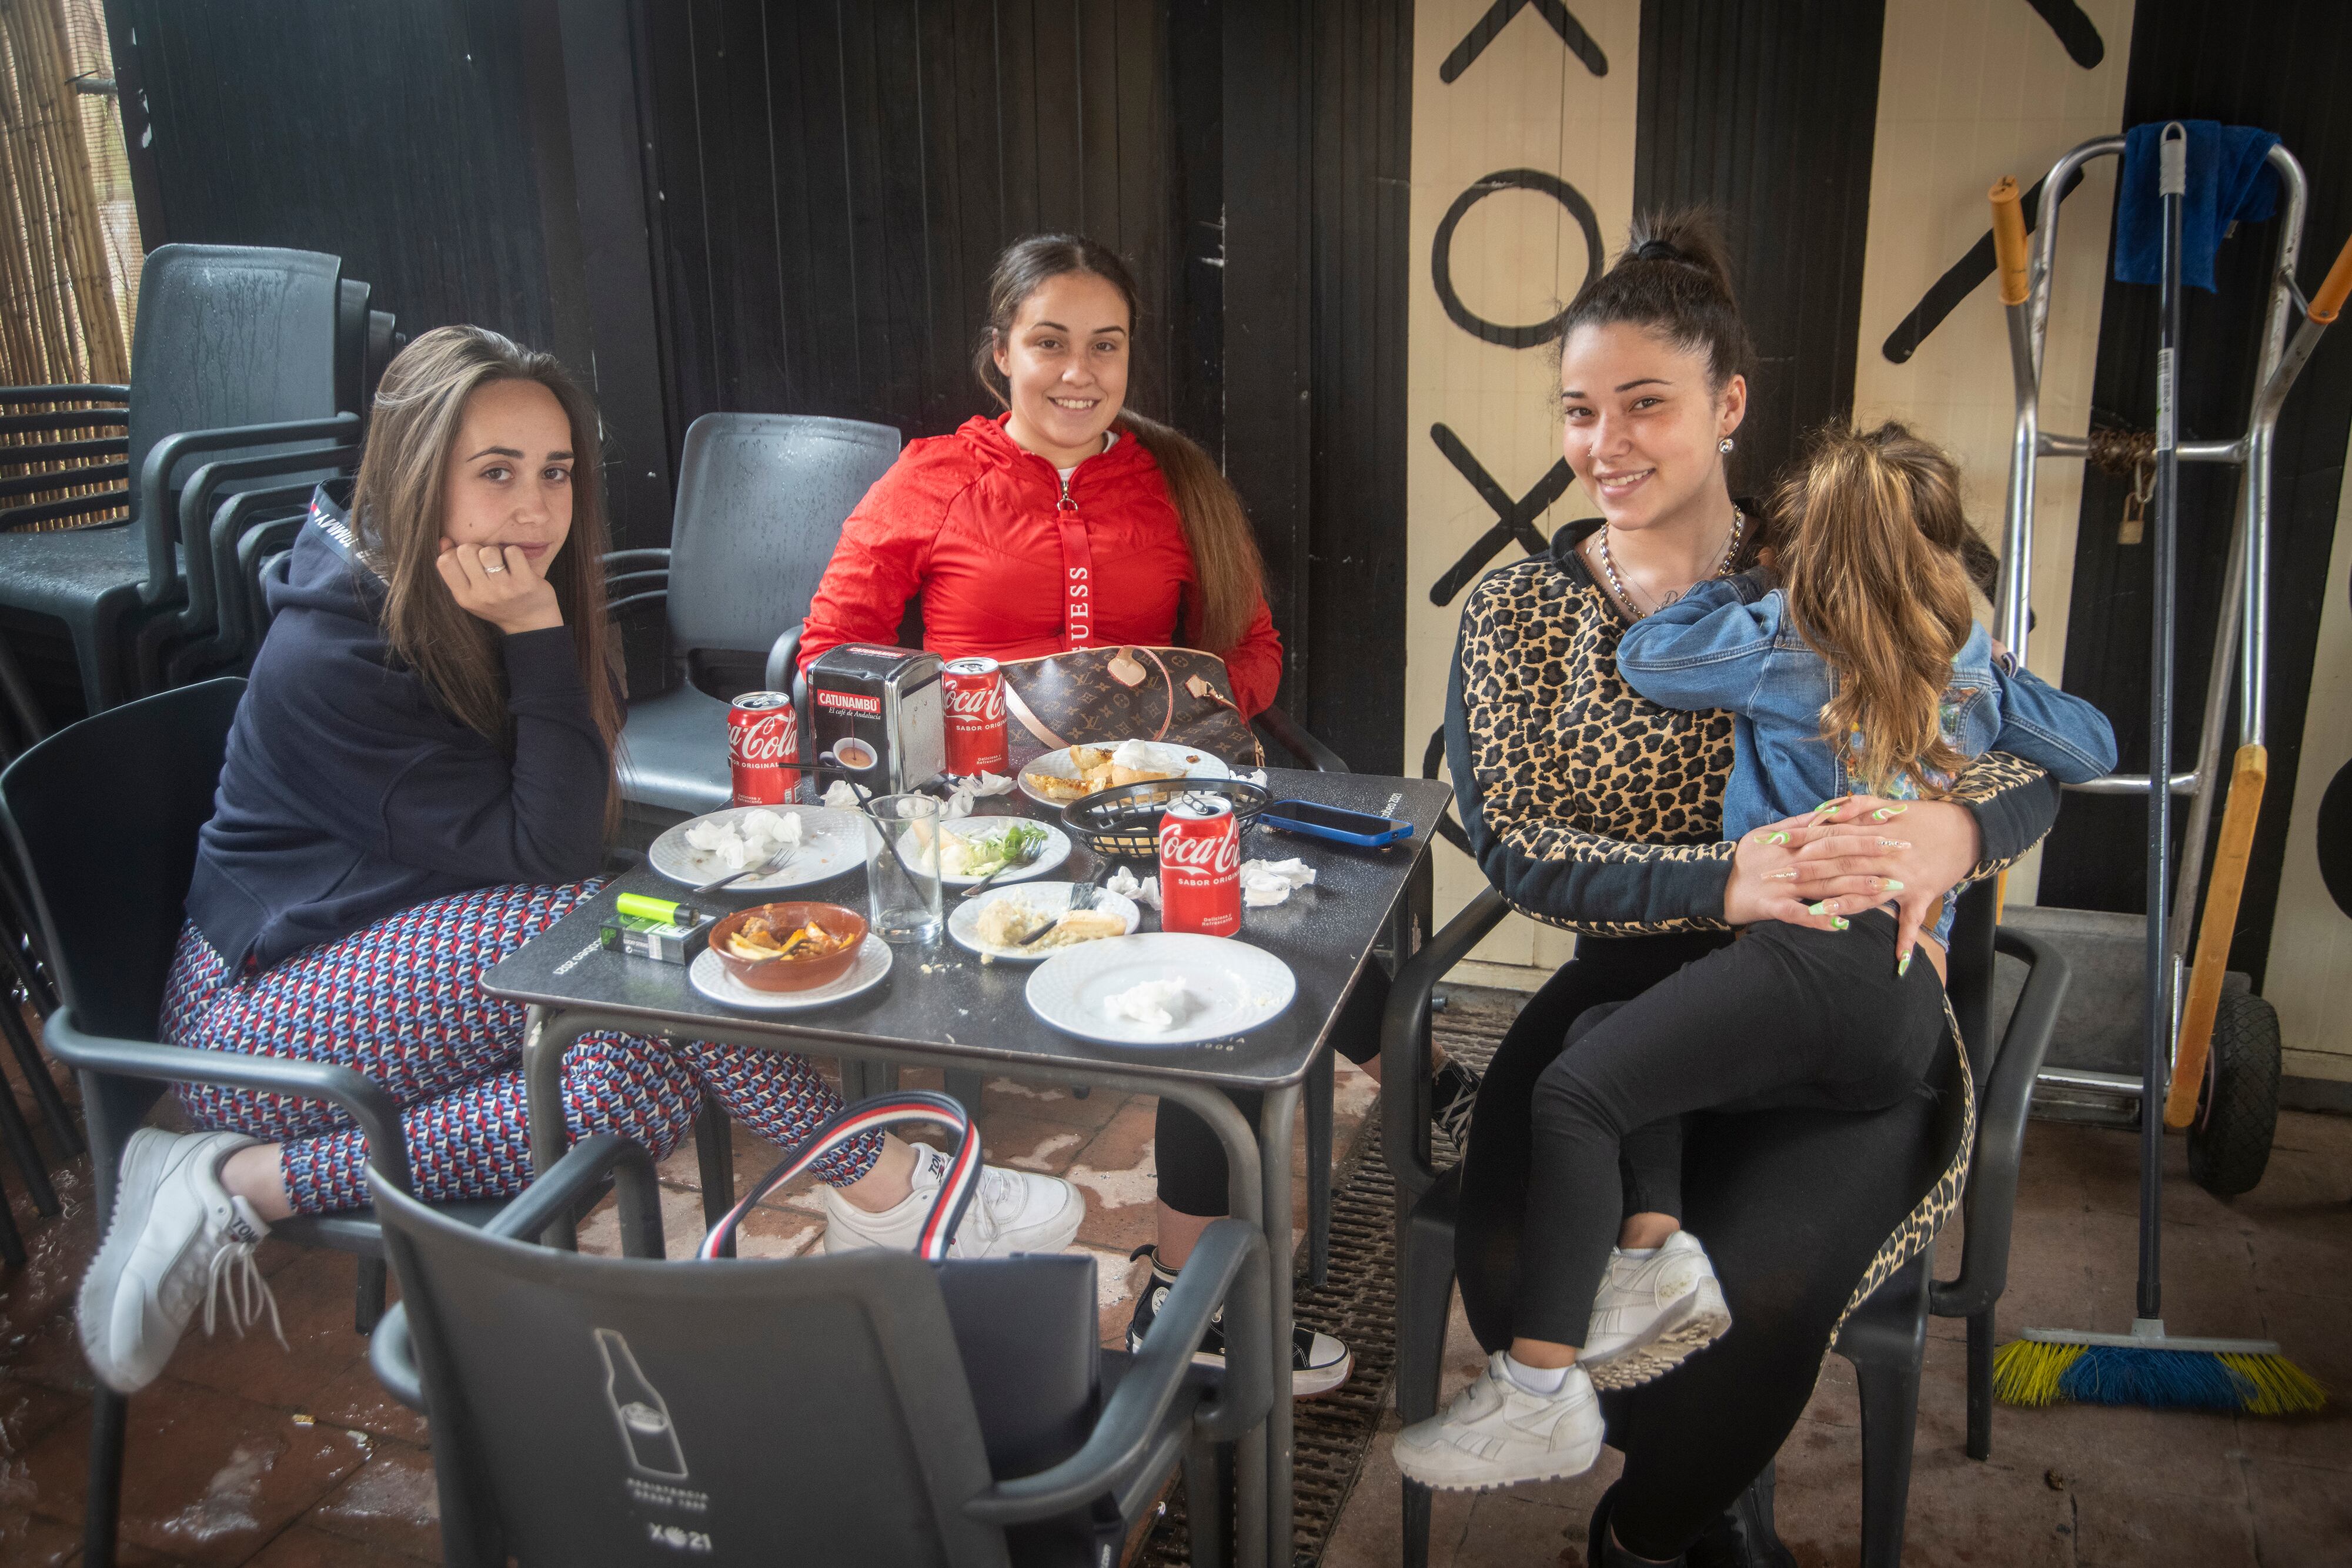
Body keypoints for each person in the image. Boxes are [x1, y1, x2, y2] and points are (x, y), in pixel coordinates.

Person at [76, 327, 1081, 1398]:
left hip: (400, 959)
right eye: (496, 473)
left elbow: (543, 835)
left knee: (621, 1083)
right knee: (620, 934)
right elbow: (550, 855)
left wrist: (532, 630)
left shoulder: (453, 593)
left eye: (555, 472)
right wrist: (538, 631)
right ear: (418, 471)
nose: (536, 508)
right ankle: (878, 1180)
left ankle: (243, 1182)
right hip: (264, 1008)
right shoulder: (343, 650)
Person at [1430, 212, 2078, 1567]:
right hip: (1626, 992)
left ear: (1728, 405)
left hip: (1839, 998)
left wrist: (1957, 841)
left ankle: (1663, 1524)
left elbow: (2018, 743)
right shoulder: (1514, 613)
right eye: (1577, 410)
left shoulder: (1839, 556)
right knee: (1512, 1271)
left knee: (1757, 1293)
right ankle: (1695, 1479)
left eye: (1644, 404)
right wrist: (1720, 876)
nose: (1605, 442)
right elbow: (1510, 844)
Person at [799, 235, 1481, 1393]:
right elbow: (830, 653)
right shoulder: (930, 480)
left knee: (1229, 953)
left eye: (1104, 345)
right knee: (1215, 946)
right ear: (997, 354)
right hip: (986, 825)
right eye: (1049, 342)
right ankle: (1428, 1093)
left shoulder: (1173, 483)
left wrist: (1191, 710)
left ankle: (1188, 1285)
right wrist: (953, 721)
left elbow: (1250, 647)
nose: (1079, 371)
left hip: (1153, 804)